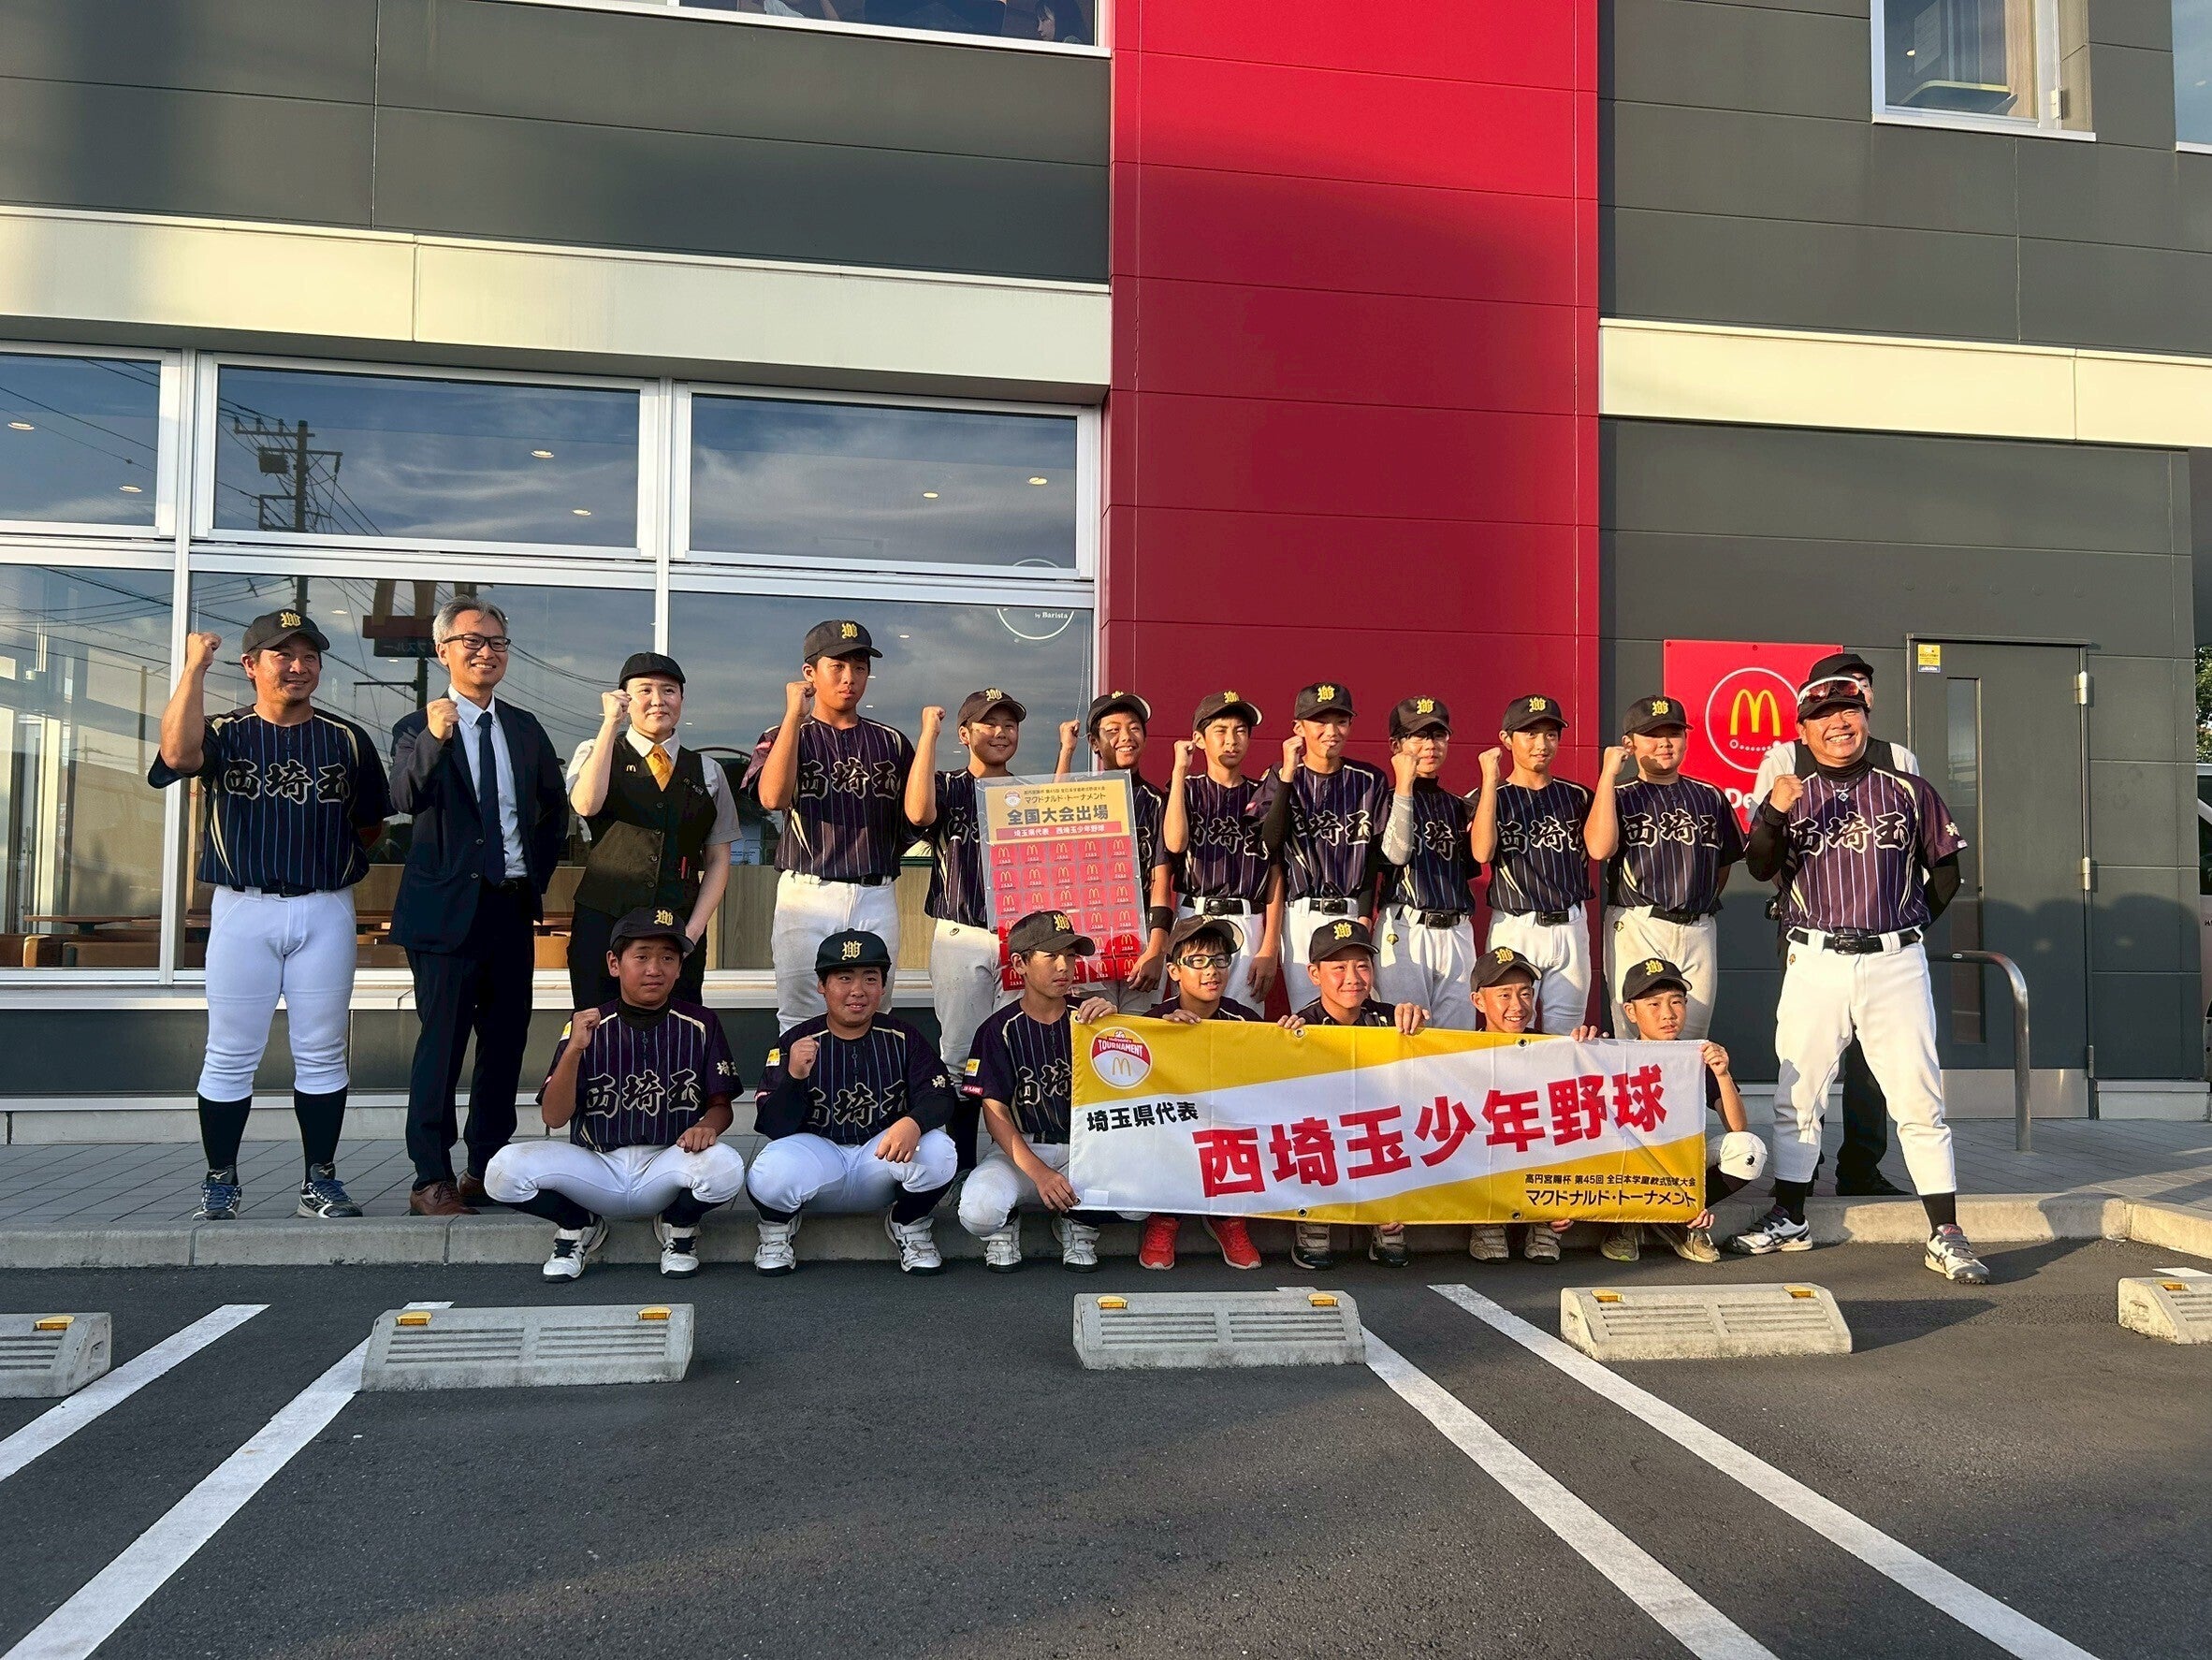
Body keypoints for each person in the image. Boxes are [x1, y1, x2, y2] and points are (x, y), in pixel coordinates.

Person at [1736, 678, 1989, 1285]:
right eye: (1822, 715)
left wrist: (1907, 927)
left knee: (1918, 1099)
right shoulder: (1792, 790)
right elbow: (1760, 865)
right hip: (1815, 957)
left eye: (1847, 710)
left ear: (1865, 716)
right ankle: (1790, 1216)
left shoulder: (1908, 788)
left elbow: (1946, 872)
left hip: (1893, 960)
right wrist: (1773, 810)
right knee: (1798, 1094)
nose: (1838, 723)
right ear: (1803, 731)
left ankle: (1946, 1233)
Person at [150, 610, 392, 1222]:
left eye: (309, 655)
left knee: (323, 1050)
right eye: (282, 654)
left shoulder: (346, 738)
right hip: (243, 906)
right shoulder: (224, 731)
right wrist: (194, 666)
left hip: (325, 906)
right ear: (251, 665)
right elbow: (176, 755)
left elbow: (371, 823)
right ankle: (220, 1179)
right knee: (231, 1051)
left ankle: (320, 1180)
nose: (298, 666)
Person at [388, 599, 570, 1217]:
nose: (486, 652)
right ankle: (430, 1176)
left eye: (496, 642)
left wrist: (532, 874)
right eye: (472, 641)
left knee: (504, 1042)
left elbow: (553, 811)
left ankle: (486, 1166)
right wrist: (436, 738)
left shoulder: (523, 727)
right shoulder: (416, 727)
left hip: (509, 907)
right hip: (444, 914)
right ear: (443, 651)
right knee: (441, 1046)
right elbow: (404, 797)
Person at [485, 909, 746, 1281]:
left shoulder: (702, 1023)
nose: (654, 969)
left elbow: (721, 1105)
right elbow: (554, 1117)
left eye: (667, 958)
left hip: (668, 1163)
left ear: (679, 968)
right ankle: (578, 1224)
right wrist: (574, 1050)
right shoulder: (587, 1024)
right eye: (642, 956)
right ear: (614, 963)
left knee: (726, 1166)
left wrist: (708, 1126)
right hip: (596, 1166)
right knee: (502, 1171)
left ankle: (678, 1225)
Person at [1753, 652, 1922, 1200]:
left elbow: (1915, 845)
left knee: (1875, 1061)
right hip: (1811, 929)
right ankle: (1802, 1170)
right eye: (1835, 692)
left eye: (1861, 687)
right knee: (1810, 1059)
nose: (1852, 698)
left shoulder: (1898, 758)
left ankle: (1861, 1166)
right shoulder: (1786, 757)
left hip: (1885, 937)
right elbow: (1763, 846)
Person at [746, 929, 959, 1275]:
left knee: (938, 1150)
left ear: (883, 986)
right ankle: (777, 1229)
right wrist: (794, 1077)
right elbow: (773, 1125)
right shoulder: (795, 1041)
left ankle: (908, 1222)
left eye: (870, 978)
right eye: (844, 978)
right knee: (771, 1169)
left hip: (880, 1160)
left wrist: (913, 1122)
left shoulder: (904, 1037)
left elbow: (940, 1096)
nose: (857, 990)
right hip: (819, 1159)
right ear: (822, 985)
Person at [744, 619, 916, 1032]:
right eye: (837, 666)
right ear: (810, 673)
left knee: (875, 1011)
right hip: (809, 891)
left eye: (859, 667)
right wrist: (793, 716)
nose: (849, 677)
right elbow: (772, 798)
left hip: (875, 891)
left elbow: (917, 818)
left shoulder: (892, 742)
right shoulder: (782, 734)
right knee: (800, 1013)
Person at [564, 651, 740, 1009]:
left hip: (677, 929)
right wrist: (609, 724)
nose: (658, 700)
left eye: (669, 690)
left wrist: (693, 930)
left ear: (681, 700)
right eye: (644, 690)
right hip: (602, 923)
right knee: (597, 1025)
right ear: (625, 699)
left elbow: (719, 859)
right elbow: (586, 805)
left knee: (679, 1028)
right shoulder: (596, 751)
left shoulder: (708, 771)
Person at [956, 910, 1121, 1272]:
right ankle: (1006, 1221)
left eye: (1071, 955)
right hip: (1022, 1150)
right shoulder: (998, 1029)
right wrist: (1040, 1173)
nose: (1064, 966)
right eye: (1051, 956)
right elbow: (995, 1113)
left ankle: (1079, 1221)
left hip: (1084, 1149)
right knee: (978, 1212)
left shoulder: (1091, 1019)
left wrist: (1117, 1026)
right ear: (1020, 964)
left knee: (1138, 1200)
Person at [1584, 694, 1745, 1042]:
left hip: (1698, 927)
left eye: (1673, 733)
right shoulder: (1618, 794)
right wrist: (1608, 775)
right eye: (1652, 734)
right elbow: (1599, 848)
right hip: (1639, 923)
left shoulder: (1710, 796)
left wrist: (1696, 902)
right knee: (1635, 1036)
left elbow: (1724, 863)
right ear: (1629, 743)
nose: (1665, 742)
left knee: (1692, 1039)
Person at [1277, 918, 1428, 1271]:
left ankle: (1388, 1213)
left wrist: (1420, 1028)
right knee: (1307, 1129)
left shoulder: (1393, 1021)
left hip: (1376, 1137)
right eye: (1339, 968)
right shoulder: (1301, 1027)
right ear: (1314, 974)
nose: (1353, 978)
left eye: (1362, 966)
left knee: (1402, 1124)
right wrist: (1279, 1048)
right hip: (1326, 1138)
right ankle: (1314, 1215)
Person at [1603, 955, 1765, 1265]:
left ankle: (1680, 1214)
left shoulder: (1697, 1057)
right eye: (1654, 1004)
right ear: (1630, 1012)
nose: (1668, 1014)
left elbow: (1737, 1127)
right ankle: (1626, 1221)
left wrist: (1722, 1074)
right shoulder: (1613, 1056)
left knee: (1748, 1149)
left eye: (1676, 1002)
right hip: (1627, 1168)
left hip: (1681, 1164)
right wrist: (1581, 1049)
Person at [908, 689, 1025, 1090]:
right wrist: (929, 735)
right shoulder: (947, 785)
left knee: (1015, 1049)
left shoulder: (1029, 792)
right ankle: (958, 1133)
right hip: (961, 933)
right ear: (965, 734)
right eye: (989, 723)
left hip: (1018, 937)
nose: (1001, 732)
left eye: (1009, 724)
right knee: (960, 1055)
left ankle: (1005, 1133)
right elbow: (918, 814)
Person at [1135, 915, 1267, 1271]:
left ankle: (1228, 1220)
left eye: (1220, 960)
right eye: (1198, 961)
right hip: (1173, 1134)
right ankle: (1164, 1220)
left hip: (1226, 1137)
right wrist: (1165, 1041)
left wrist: (1291, 1036)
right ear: (1174, 971)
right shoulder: (1152, 1023)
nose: (1212, 971)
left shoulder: (1247, 1024)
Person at [1472, 694, 1595, 1040]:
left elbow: (1601, 848)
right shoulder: (1489, 795)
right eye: (1530, 734)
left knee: (1567, 1036)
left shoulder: (1578, 796)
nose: (1541, 744)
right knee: (1510, 1028)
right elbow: (1481, 851)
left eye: (1550, 734)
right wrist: (1489, 781)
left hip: (1569, 923)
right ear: (1507, 739)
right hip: (1516, 924)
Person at [1262, 681, 1392, 985]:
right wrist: (1287, 775)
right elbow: (1271, 841)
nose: (1331, 731)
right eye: (1320, 721)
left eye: (1341, 721)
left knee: (1354, 1004)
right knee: (1307, 1009)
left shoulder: (1369, 779)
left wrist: (1364, 915)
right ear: (1298, 728)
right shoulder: (1281, 776)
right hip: (1301, 915)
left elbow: (1372, 856)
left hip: (1351, 910)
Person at [1464, 945, 1588, 1263]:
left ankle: (1547, 1225)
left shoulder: (1554, 1049)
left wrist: (1593, 1053)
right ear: (1478, 1001)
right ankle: (1487, 1223)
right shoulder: (1459, 1054)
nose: (1517, 1006)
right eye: (1504, 995)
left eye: (1525, 994)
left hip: (1540, 1163)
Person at [1162, 691, 1283, 1010]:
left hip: (1248, 919)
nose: (1231, 740)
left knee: (1245, 1021)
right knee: (1192, 1017)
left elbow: (1275, 871)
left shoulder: (1264, 794)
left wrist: (1270, 946)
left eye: (1240, 731)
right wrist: (1179, 770)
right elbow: (1174, 842)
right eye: (1221, 730)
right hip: (1195, 914)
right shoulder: (1187, 789)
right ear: (1199, 739)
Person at [1055, 691, 1172, 1012]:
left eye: (1134, 728)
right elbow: (1054, 816)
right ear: (1095, 743)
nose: (1126, 737)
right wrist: (1067, 750)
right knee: (1093, 1028)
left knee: (1139, 1032)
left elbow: (1161, 880)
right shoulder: (1081, 792)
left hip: (1141, 937)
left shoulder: (1157, 801)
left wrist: (1157, 950)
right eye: (1113, 730)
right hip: (1087, 935)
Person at [1375, 695, 1482, 1029]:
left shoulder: (1458, 806)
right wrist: (1404, 786)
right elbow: (1395, 854)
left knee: (1458, 1038)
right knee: (1406, 1033)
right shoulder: (1382, 800)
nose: (1430, 745)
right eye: (1418, 736)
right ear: (1396, 745)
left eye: (1438, 735)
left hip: (1456, 930)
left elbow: (1470, 868)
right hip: (1406, 927)